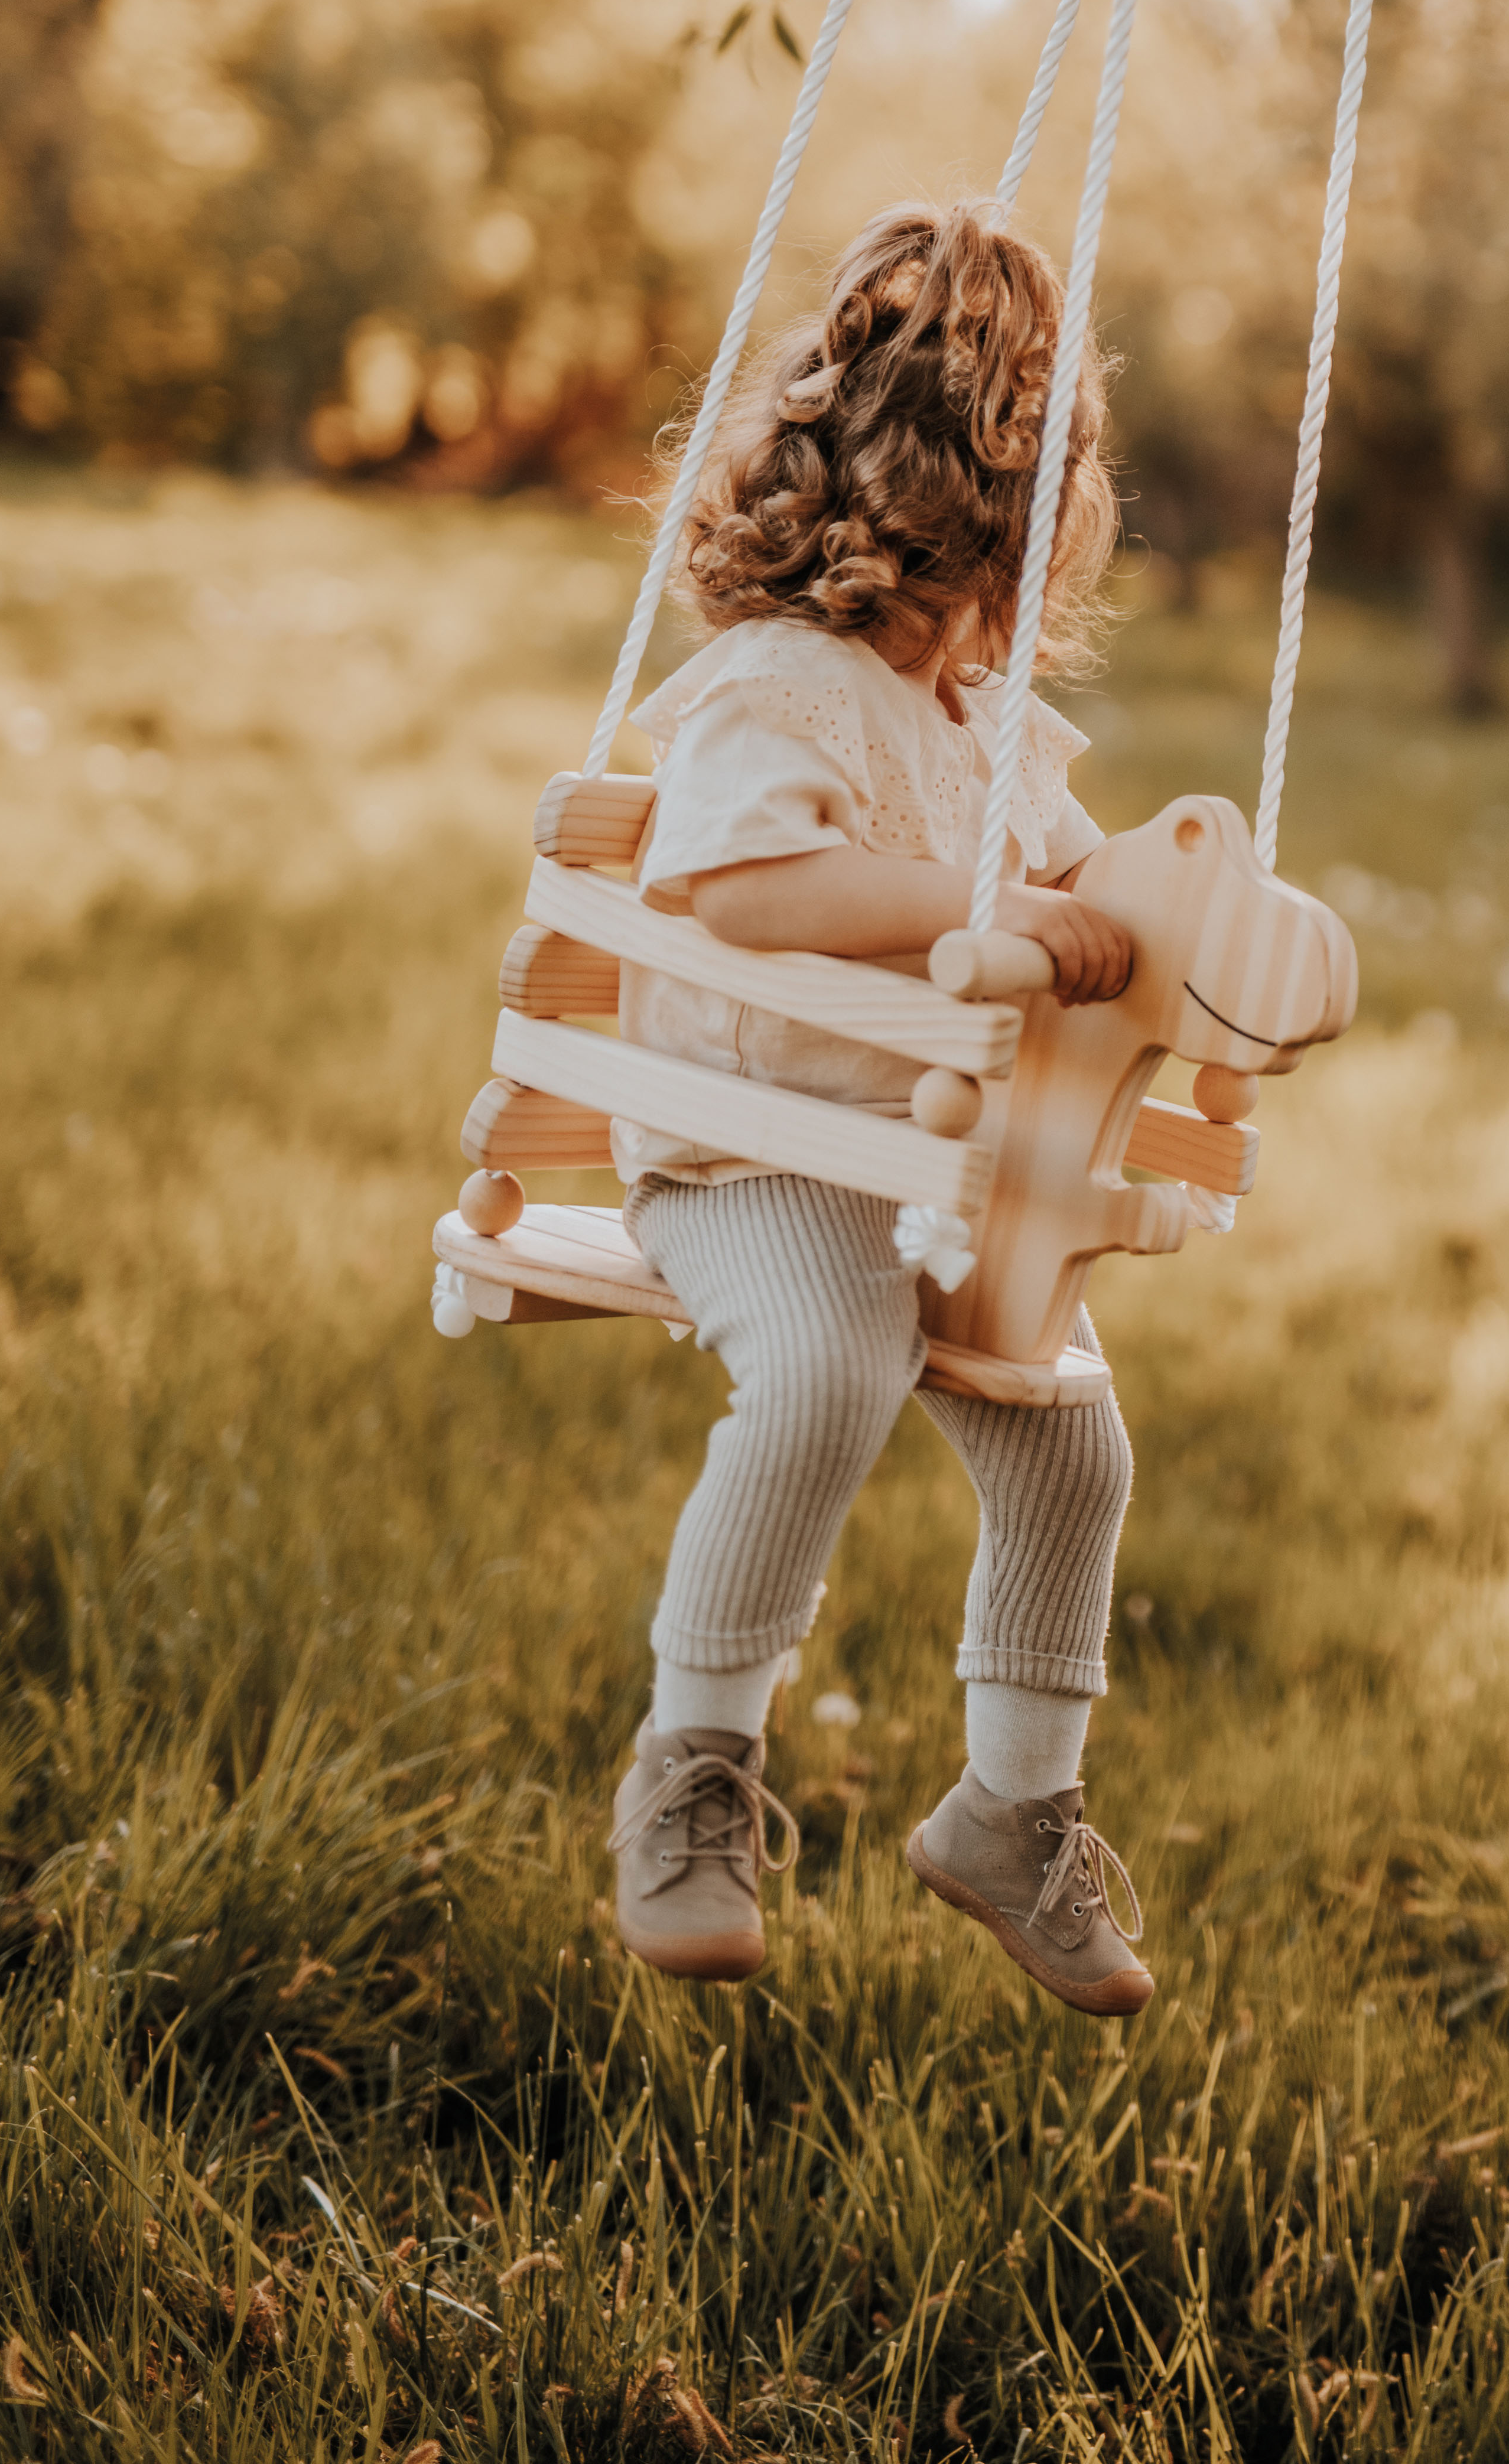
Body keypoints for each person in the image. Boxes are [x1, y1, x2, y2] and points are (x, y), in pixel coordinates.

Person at [607, 200, 1151, 2015]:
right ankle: (694, 1775)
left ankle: (1013, 1816)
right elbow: (749, 891)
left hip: (919, 1162)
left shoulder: (985, 725)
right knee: (833, 1363)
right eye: (968, 566)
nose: (967, 623)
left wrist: (1187, 915)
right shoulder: (775, 685)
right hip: (745, 1142)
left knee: (1075, 1447)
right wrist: (977, 912)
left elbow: (1094, 888)